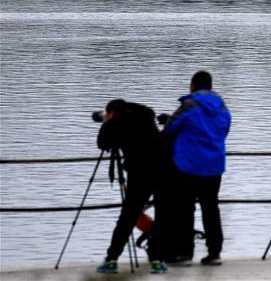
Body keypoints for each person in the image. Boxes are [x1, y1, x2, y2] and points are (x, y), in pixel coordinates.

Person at [162, 71, 231, 266]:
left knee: (185, 209)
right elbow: (223, 131)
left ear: (193, 85)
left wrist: (167, 120)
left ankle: (184, 254)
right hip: (214, 166)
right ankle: (214, 252)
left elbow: (170, 130)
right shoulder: (222, 107)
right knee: (211, 209)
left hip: (188, 166)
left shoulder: (188, 105)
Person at [95, 99, 168, 274]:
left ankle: (111, 260)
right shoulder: (145, 114)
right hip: (164, 170)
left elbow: (103, 144)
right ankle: (158, 261)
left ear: (111, 112)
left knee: (127, 218)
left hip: (140, 175)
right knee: (163, 215)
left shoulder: (117, 122)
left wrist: (106, 124)